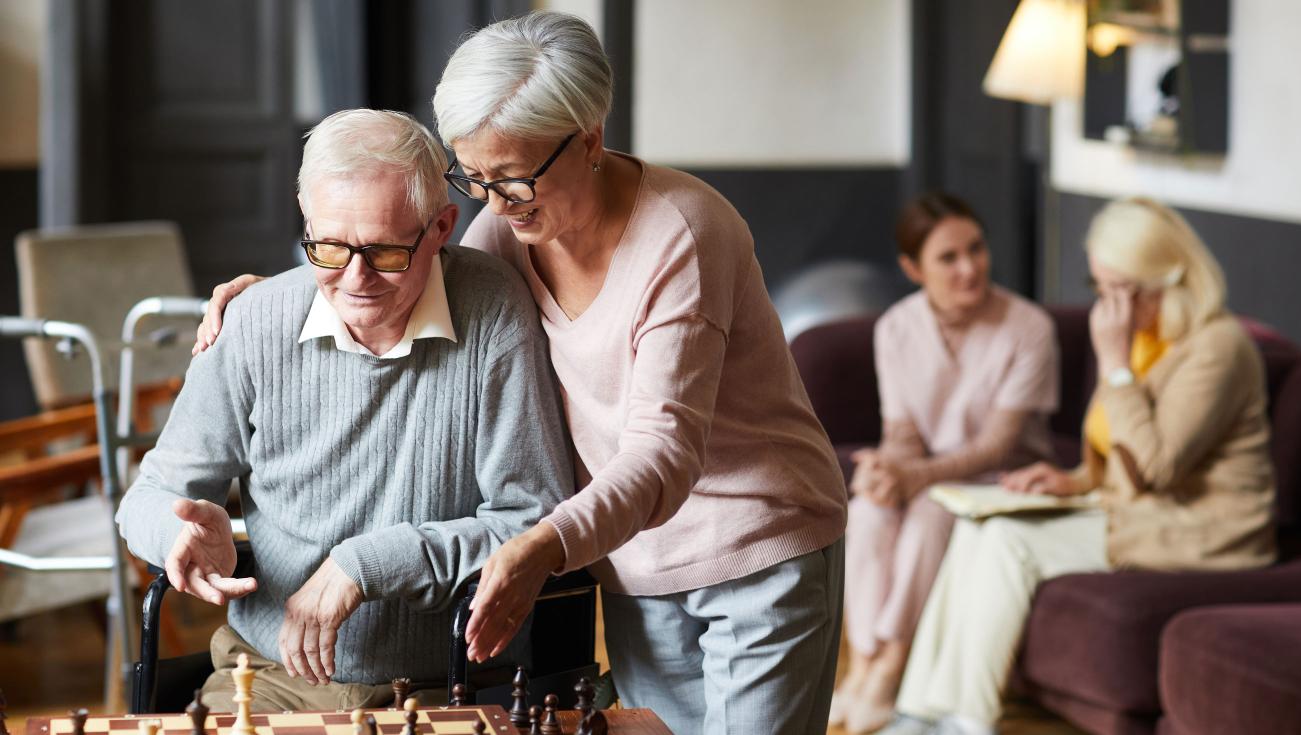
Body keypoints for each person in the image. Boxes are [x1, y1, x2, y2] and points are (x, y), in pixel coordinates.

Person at [191, 12, 847, 734]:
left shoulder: (682, 235)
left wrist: (540, 544)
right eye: (472, 177)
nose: (494, 203)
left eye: (514, 178)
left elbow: (663, 454)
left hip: (756, 547)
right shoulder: (508, 228)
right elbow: (409, 271)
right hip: (631, 558)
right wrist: (275, 295)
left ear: (590, 139)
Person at [118, 109, 573, 713]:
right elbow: (145, 497)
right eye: (328, 247)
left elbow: (533, 520)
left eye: (385, 252)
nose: (355, 278)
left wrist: (366, 564)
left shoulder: (494, 313)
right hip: (268, 677)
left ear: (440, 228)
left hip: (449, 683)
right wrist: (181, 537)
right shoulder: (253, 322)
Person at [879, 197, 1277, 735]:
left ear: (1159, 281)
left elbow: (1156, 467)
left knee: (1007, 541)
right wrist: (1074, 481)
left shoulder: (1218, 348)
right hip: (1136, 512)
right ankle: (921, 713)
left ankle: (965, 722)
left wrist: (1113, 366)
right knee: (978, 528)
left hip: (1202, 530)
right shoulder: (1145, 337)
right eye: (1101, 289)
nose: (1107, 307)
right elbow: (1118, 456)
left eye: (1116, 289)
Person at [835, 193, 1058, 733]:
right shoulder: (896, 328)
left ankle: (889, 668)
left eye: (976, 250)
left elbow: (998, 446)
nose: (970, 268)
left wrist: (911, 476)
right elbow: (903, 434)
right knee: (865, 511)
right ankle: (860, 666)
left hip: (1003, 480)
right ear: (913, 269)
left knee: (931, 514)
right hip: (931, 475)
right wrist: (886, 471)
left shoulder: (1028, 327)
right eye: (948, 258)